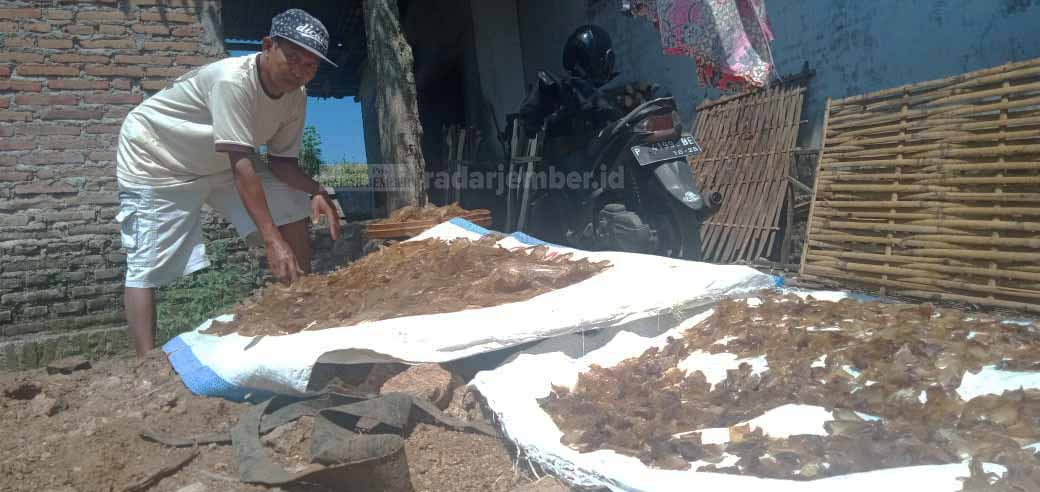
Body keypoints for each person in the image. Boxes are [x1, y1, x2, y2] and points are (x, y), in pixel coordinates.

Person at [115, 8, 341, 356]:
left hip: (218, 161)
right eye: (292, 58)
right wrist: (272, 241)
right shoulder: (232, 81)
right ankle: (144, 362)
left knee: (290, 201)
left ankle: (301, 305)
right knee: (147, 260)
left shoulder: (295, 98)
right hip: (157, 160)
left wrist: (317, 191)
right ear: (267, 46)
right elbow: (242, 166)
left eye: (310, 66)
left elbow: (282, 164)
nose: (299, 71)